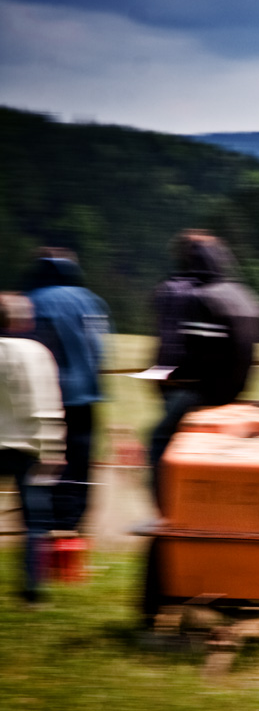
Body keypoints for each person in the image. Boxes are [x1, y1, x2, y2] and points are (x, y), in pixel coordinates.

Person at [147, 232, 259, 507]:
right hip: (235, 392)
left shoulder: (198, 297)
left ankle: (165, 510)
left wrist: (167, 380)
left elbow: (191, 354)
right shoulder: (243, 295)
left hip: (199, 392)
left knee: (159, 440)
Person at [24, 248, 111, 541]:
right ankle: (71, 527)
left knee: (43, 463)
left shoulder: (34, 302)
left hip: (45, 397)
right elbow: (100, 348)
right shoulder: (92, 301)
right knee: (79, 462)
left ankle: (41, 526)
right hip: (86, 396)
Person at [0, 293, 64, 604]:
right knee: (34, 523)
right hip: (26, 448)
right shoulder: (37, 352)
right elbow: (47, 405)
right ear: (22, 320)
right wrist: (54, 447)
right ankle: (31, 591)